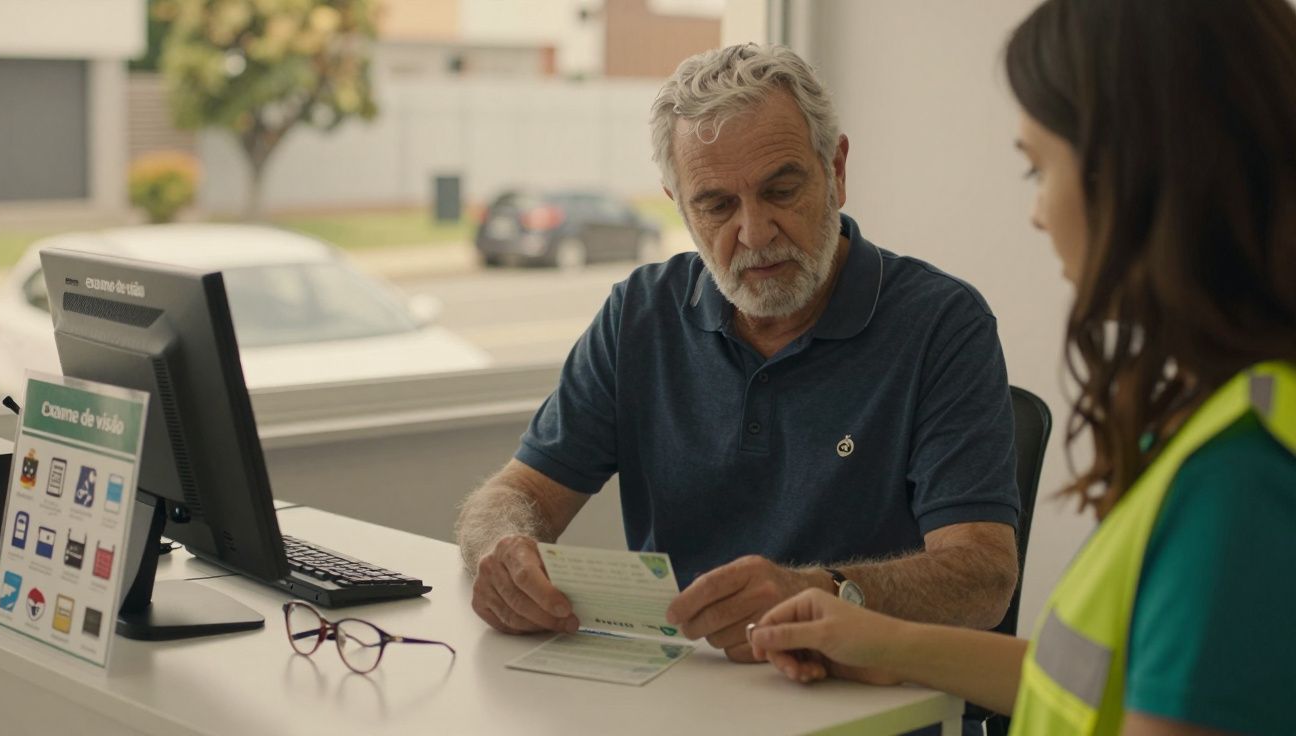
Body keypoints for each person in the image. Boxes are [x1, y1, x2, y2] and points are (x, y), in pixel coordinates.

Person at [748, 0, 1296, 734]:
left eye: (1039, 168)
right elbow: (1115, 681)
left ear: (1134, 175)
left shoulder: (1238, 479)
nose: (1038, 214)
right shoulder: (1233, 414)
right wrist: (884, 639)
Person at [456, 44, 1023, 662]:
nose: (754, 232)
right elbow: (519, 495)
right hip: (682, 696)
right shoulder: (638, 314)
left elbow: (983, 577)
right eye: (717, 205)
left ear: (835, 169)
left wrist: (822, 595)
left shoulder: (941, 323)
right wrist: (502, 550)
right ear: (678, 204)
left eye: (781, 191)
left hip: (873, 705)